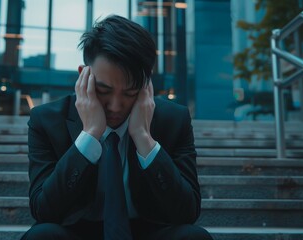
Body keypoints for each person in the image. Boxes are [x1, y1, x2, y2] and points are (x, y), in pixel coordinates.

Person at [21, 15, 212, 240]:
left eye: (130, 93)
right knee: (41, 236)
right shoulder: (46, 120)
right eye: (103, 90)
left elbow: (187, 212)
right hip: (77, 232)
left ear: (146, 85)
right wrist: (89, 135)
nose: (115, 106)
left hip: (146, 230)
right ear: (84, 75)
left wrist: (144, 138)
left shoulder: (173, 120)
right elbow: (44, 211)